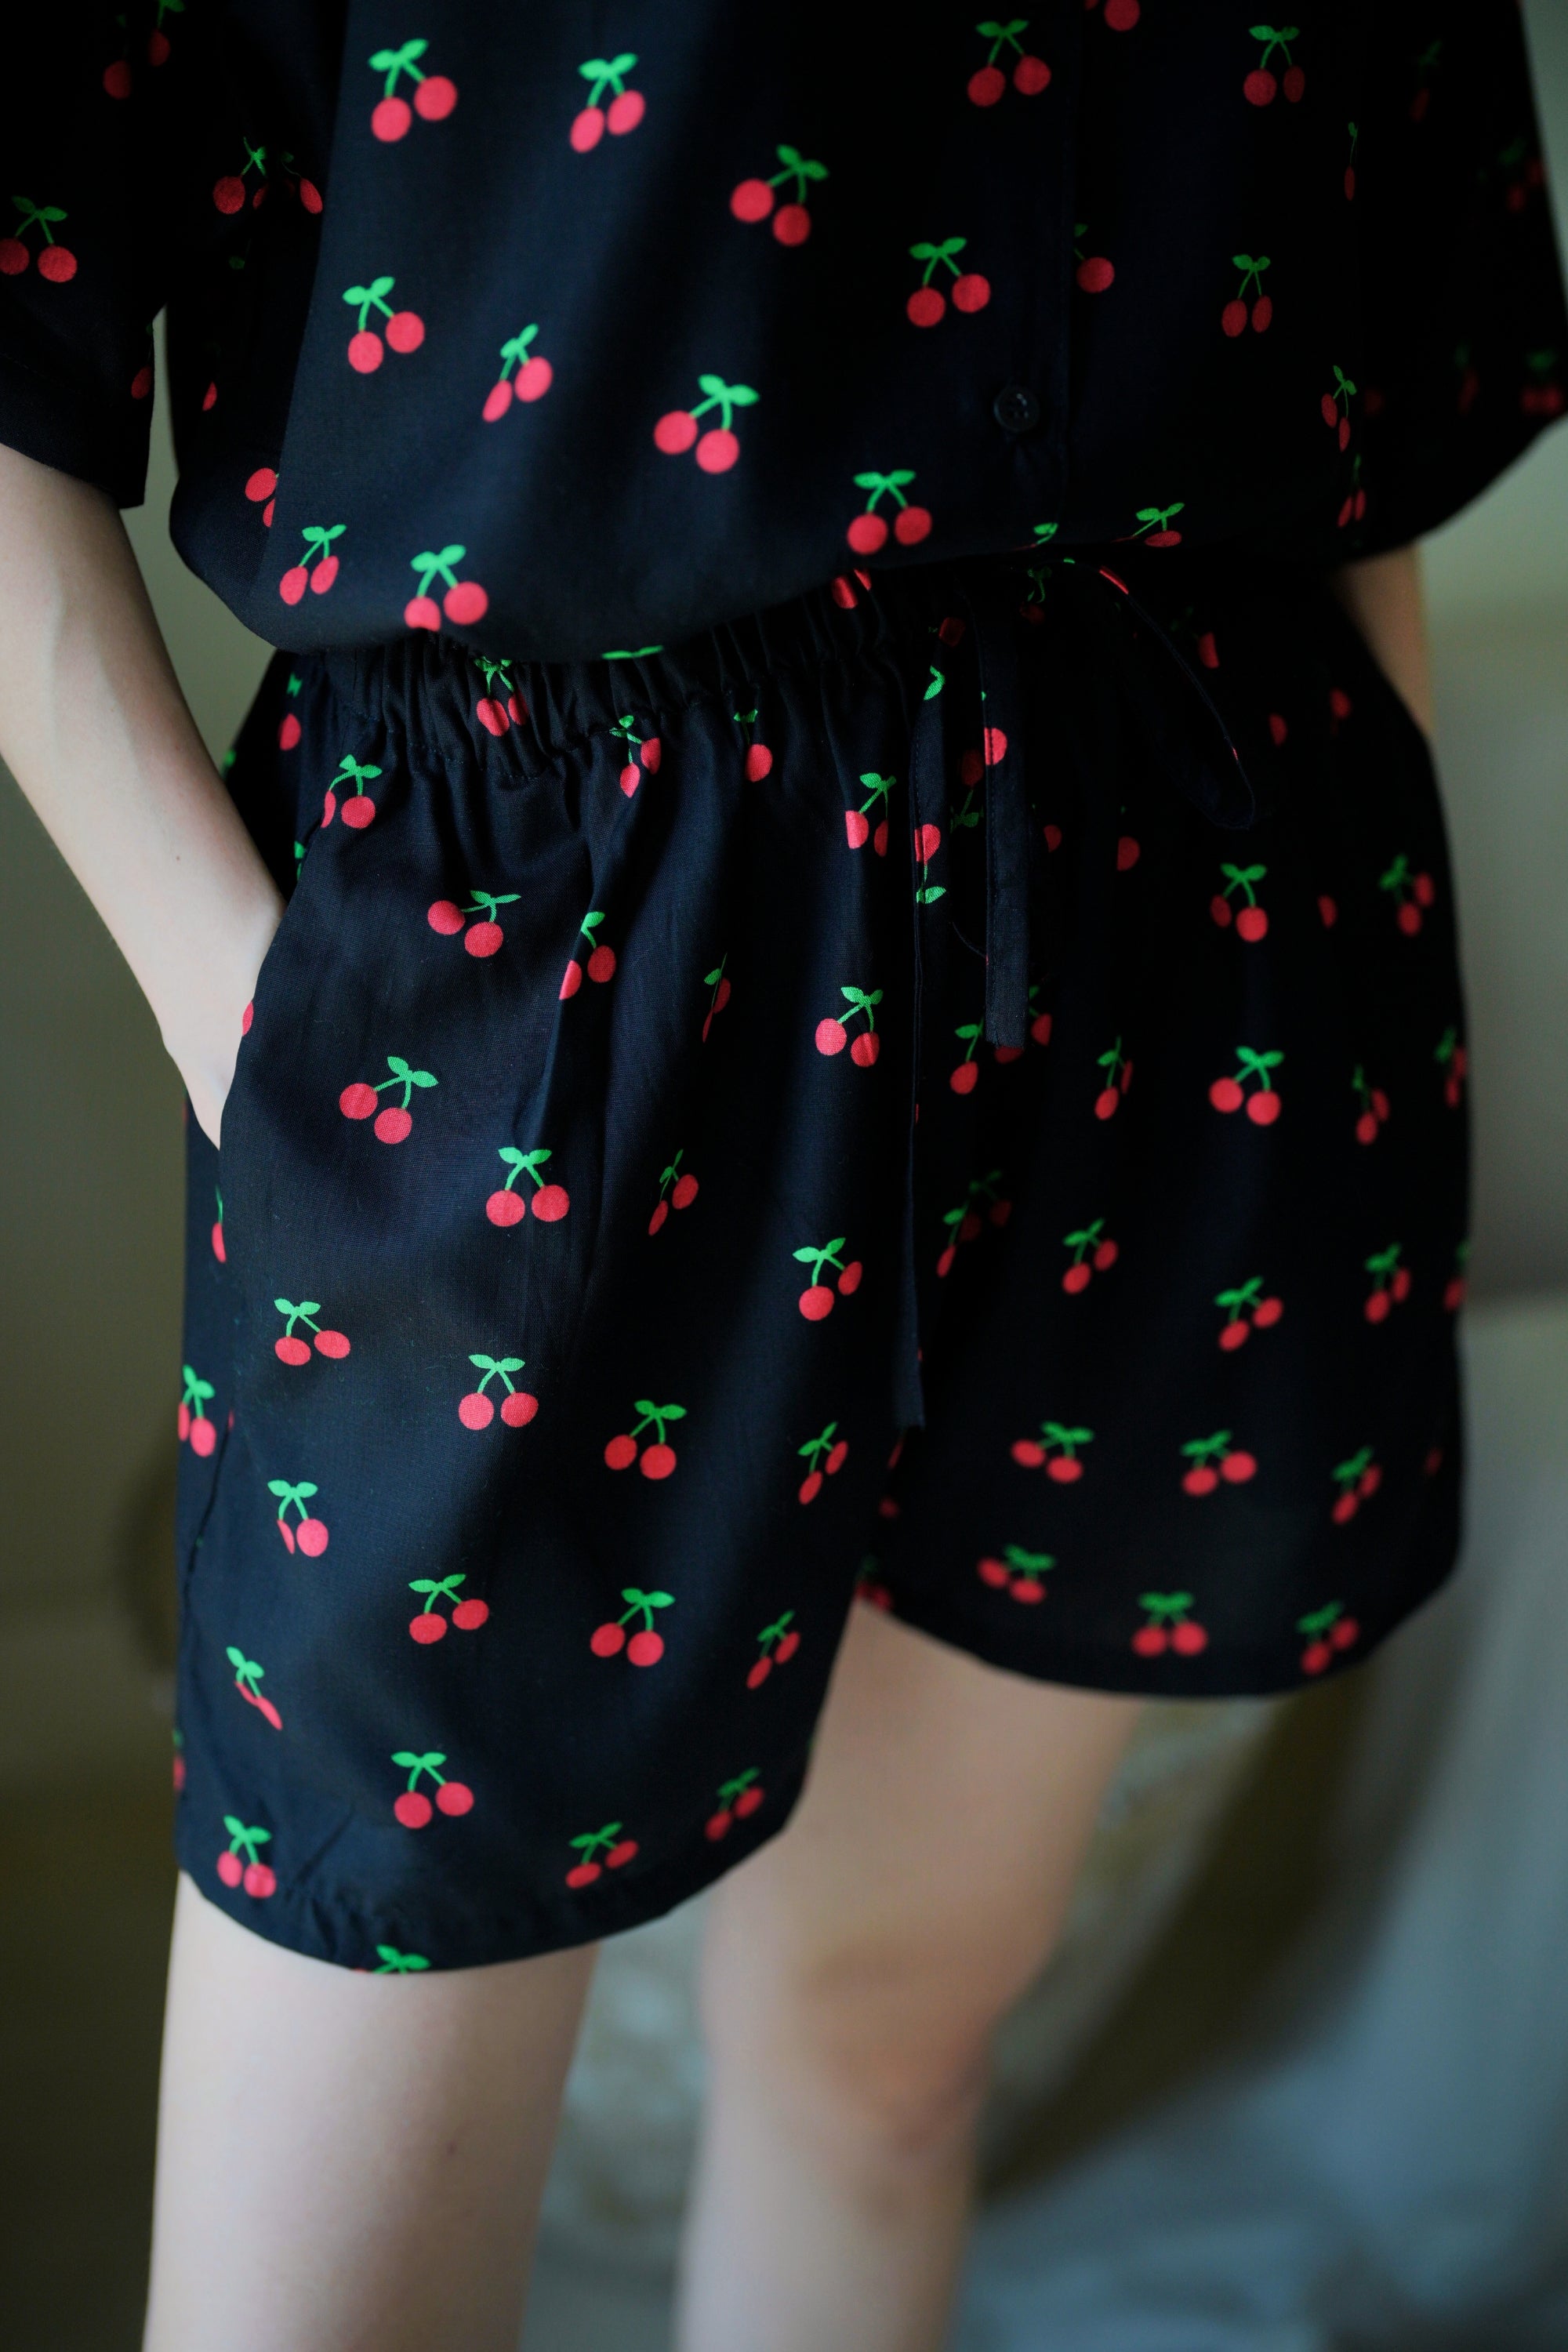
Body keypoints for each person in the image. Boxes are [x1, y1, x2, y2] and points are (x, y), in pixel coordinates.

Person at [1, 7, 1563, 2348]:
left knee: (890, 2057)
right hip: (553, 946)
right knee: (325, 2270)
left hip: (1192, 895)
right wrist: (261, 1034)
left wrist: (1352, 948)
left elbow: (1394, 348)